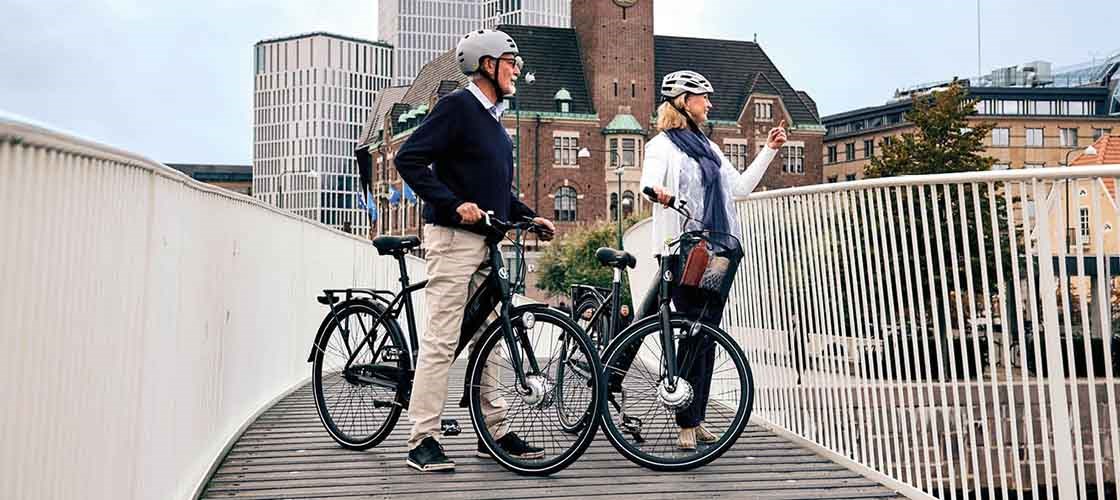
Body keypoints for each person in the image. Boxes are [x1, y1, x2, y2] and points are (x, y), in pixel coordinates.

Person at [393, 28, 557, 472]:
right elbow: (408, 159)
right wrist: (452, 204)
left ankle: (492, 432)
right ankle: (421, 439)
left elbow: (493, 191)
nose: (517, 70)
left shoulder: (494, 122)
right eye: (511, 62)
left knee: (490, 338)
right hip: (452, 239)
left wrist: (528, 217)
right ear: (488, 64)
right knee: (442, 339)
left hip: (486, 241)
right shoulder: (457, 107)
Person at [639, 69, 787, 450]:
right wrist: (660, 193)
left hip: (719, 250)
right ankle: (685, 423)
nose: (709, 103)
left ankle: (699, 416)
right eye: (703, 97)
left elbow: (740, 188)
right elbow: (648, 183)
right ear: (683, 102)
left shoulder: (710, 148)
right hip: (683, 250)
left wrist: (769, 149)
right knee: (691, 330)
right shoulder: (662, 145)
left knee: (707, 334)